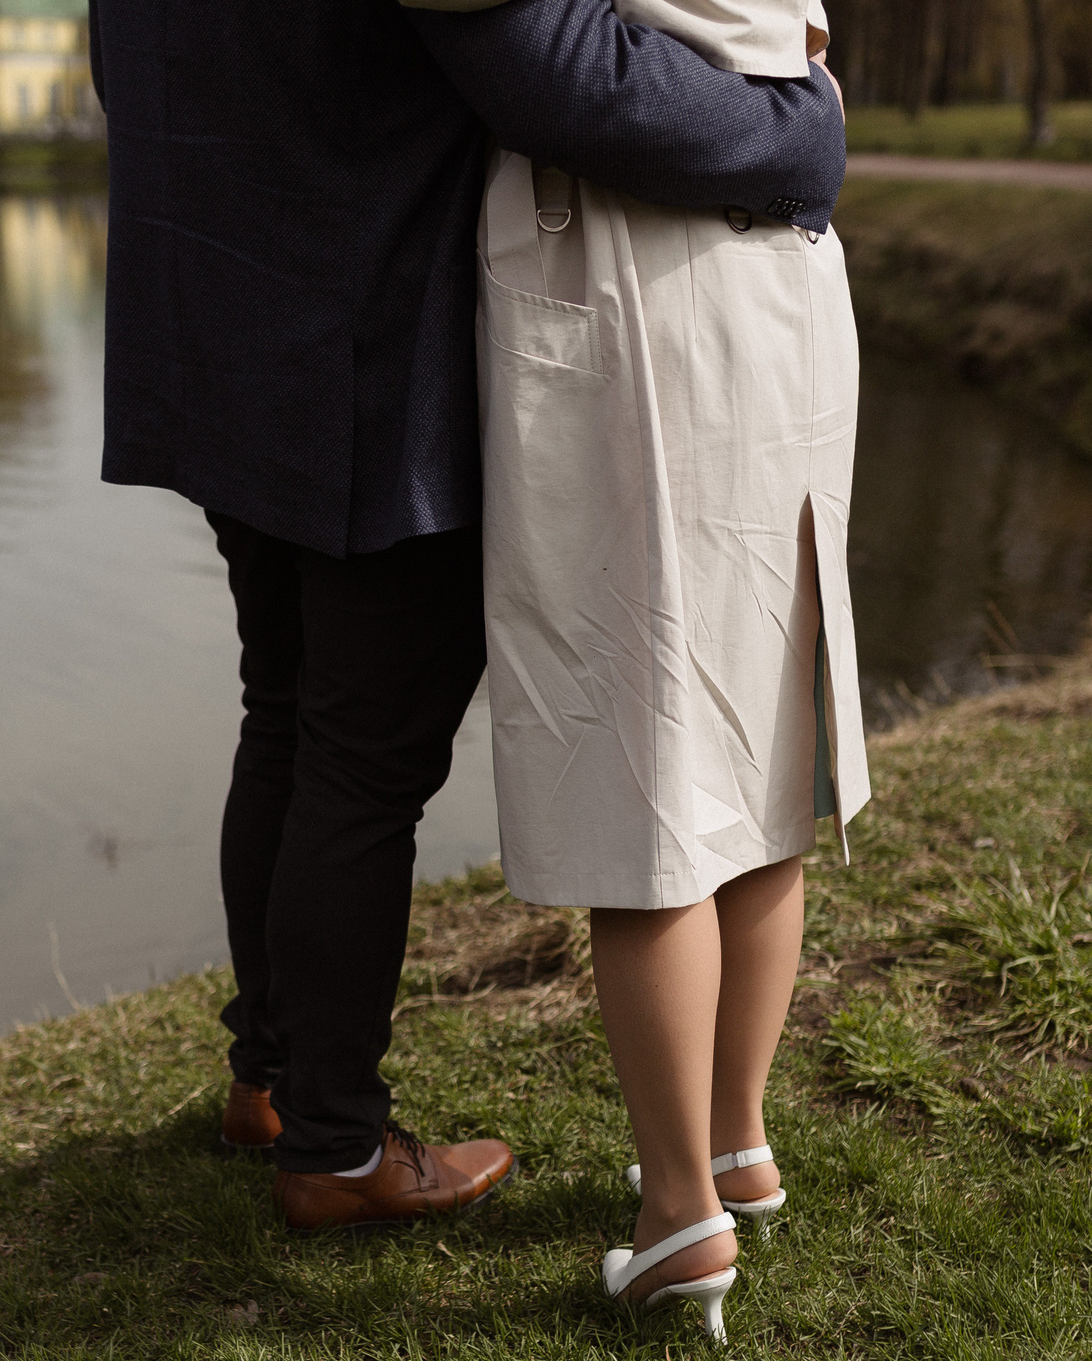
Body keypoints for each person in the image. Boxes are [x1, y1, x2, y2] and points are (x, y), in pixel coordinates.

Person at [88, 0, 847, 1232]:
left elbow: (125, 74)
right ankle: (333, 1146)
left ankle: (272, 1080)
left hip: (218, 325)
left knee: (284, 709)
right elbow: (561, 77)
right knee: (361, 758)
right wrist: (795, 135)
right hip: (372, 340)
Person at [398, 0, 865, 1335]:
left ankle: (679, 1212)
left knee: (643, 756)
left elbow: (535, 65)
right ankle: (736, 1144)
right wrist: (803, 126)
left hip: (633, 290)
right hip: (786, 292)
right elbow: (805, 51)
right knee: (758, 737)